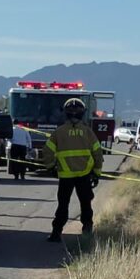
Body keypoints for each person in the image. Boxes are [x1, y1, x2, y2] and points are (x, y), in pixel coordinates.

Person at [43, 98, 104, 242]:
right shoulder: (88, 132)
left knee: (63, 205)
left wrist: (51, 167)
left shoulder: (59, 132)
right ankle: (87, 232)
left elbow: (47, 151)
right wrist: (96, 173)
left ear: (66, 114)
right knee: (86, 204)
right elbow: (98, 153)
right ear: (83, 114)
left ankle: (56, 233)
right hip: (84, 176)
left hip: (65, 177)